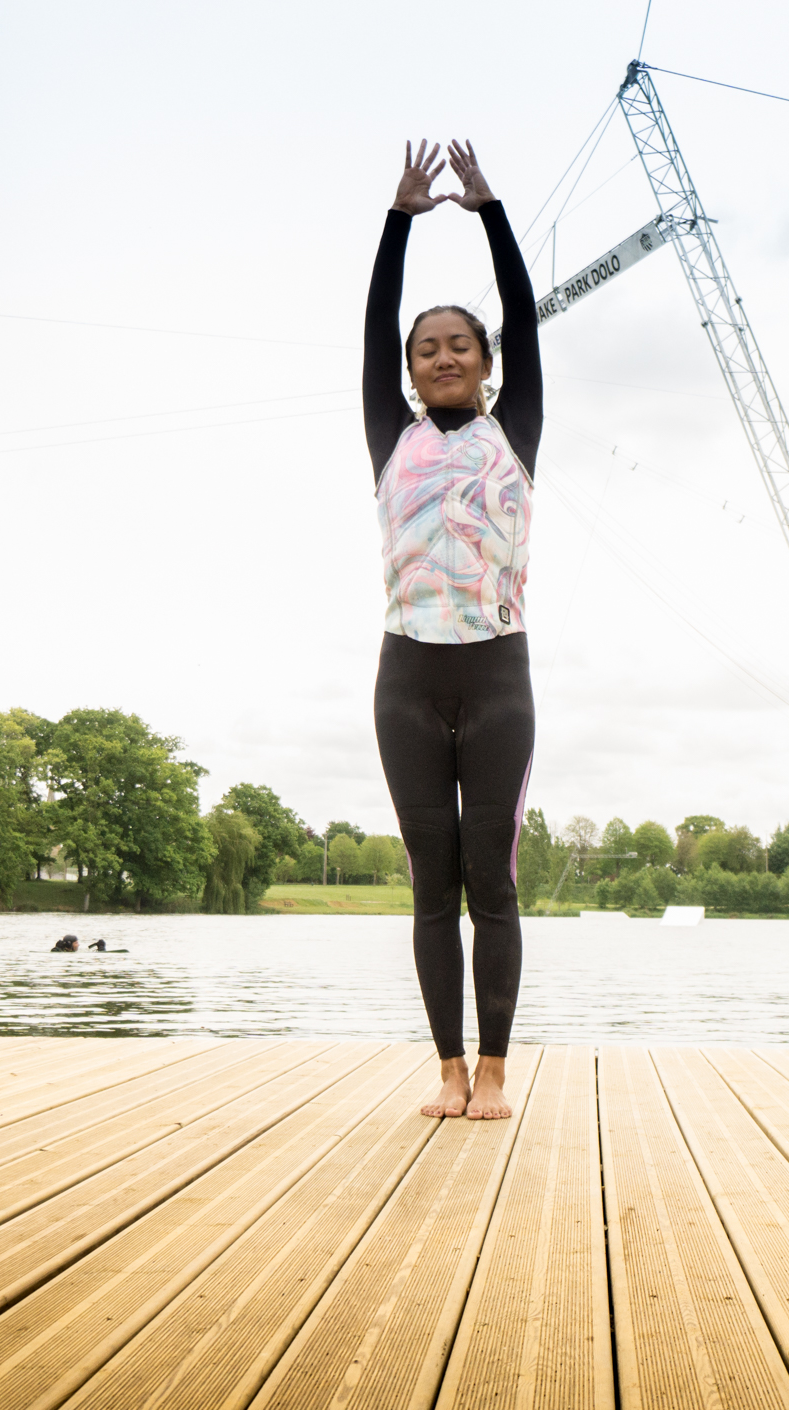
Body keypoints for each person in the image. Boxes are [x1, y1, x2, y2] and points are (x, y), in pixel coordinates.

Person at [364, 139, 542, 1121]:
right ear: (410, 367)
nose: (441, 354)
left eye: (459, 345)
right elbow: (369, 331)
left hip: (497, 678)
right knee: (431, 881)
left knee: (491, 877)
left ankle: (497, 1072)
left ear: (484, 363)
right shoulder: (389, 436)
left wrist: (489, 212)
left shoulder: (513, 428)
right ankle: (444, 1072)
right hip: (405, 678)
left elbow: (524, 316)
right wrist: (397, 221)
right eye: (426, 345)